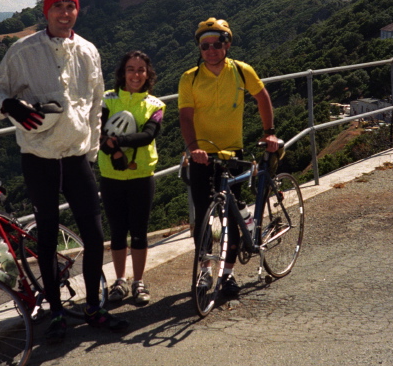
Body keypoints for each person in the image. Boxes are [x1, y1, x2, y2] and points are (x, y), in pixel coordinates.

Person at [0, 0, 128, 343]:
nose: (65, 13)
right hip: (40, 155)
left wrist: (92, 151)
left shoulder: (89, 51)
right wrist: (7, 104)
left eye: (71, 6)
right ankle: (57, 313)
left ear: (78, 10)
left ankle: (94, 306)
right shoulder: (22, 50)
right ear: (46, 11)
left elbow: (96, 106)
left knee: (94, 237)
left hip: (77, 156)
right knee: (46, 235)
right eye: (58, 7)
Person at [178, 17, 281, 298]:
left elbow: (262, 98)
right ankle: (204, 272)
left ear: (227, 44)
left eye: (216, 44)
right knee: (202, 218)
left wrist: (269, 132)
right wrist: (193, 147)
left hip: (232, 153)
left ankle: (228, 274)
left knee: (231, 217)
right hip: (202, 156)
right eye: (205, 45)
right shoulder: (190, 78)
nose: (210, 50)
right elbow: (185, 117)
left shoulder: (241, 71)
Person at [98, 51, 165, 305]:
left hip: (141, 174)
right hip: (110, 175)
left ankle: (138, 281)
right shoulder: (107, 99)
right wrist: (115, 151)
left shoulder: (156, 105)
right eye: (130, 69)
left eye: (140, 70)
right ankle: (120, 281)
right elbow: (97, 130)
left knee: (138, 232)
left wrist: (117, 144)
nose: (135, 74)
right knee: (116, 231)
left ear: (148, 75)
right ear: (122, 73)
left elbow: (148, 135)